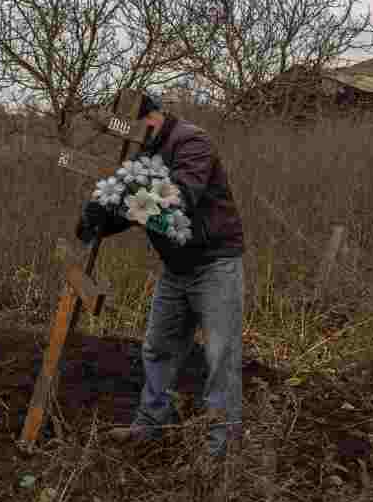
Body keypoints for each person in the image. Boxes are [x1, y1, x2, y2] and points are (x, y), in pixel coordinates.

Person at [77, 91, 247, 458]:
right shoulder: (142, 152)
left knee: (221, 355)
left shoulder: (192, 142)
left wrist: (120, 199)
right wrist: (100, 221)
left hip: (214, 262)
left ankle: (220, 449)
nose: (135, 138)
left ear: (155, 115)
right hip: (176, 267)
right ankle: (150, 427)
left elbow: (177, 199)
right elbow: (140, 208)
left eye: (141, 128)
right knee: (158, 348)